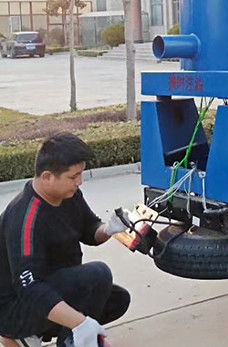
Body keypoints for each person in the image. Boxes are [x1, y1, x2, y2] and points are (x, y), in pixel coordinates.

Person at [0, 133, 131, 347]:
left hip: (50, 285)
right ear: (47, 177)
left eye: (81, 174)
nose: (79, 182)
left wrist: (109, 229)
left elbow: (90, 229)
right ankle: (33, 335)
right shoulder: (25, 217)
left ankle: (70, 337)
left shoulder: (69, 195)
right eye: (73, 177)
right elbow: (29, 286)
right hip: (15, 306)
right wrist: (81, 323)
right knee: (98, 274)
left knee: (116, 300)